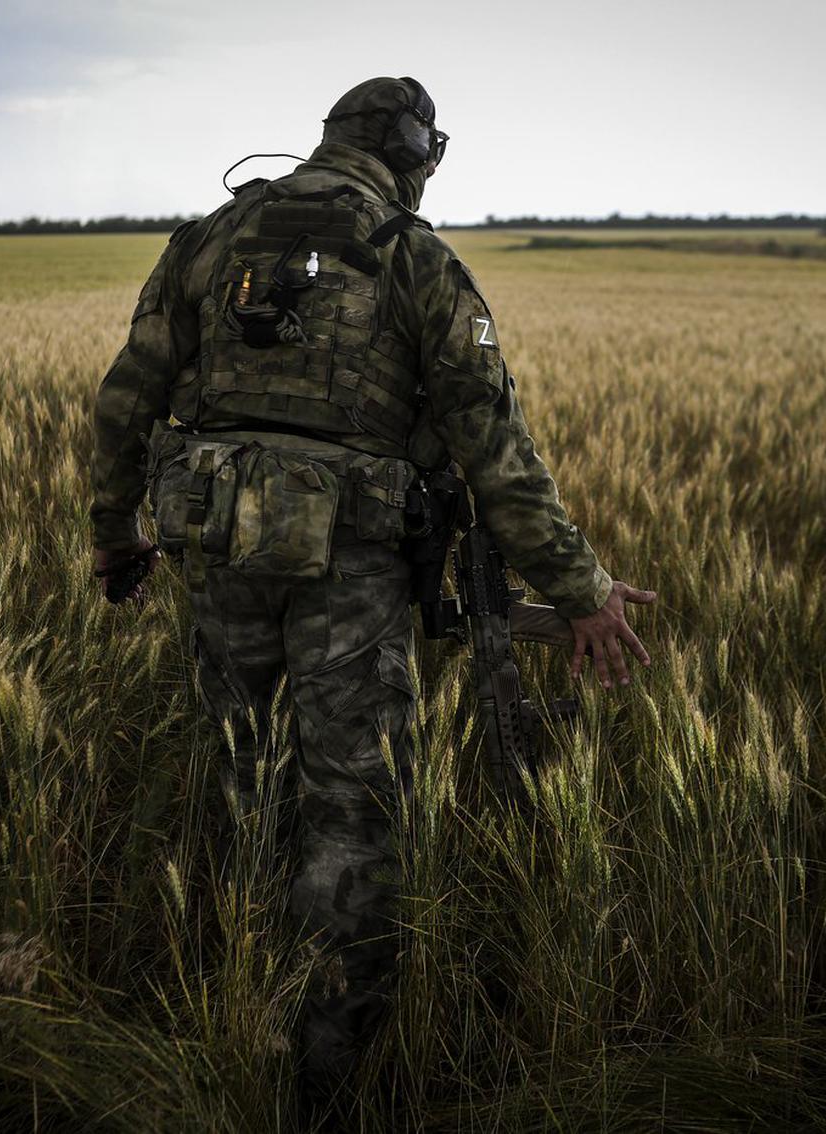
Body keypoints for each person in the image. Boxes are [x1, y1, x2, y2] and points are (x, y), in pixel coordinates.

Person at [91, 76, 655, 1111]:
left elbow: (125, 401)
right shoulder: (410, 255)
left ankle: (225, 1006)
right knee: (350, 807)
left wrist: (111, 530)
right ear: (412, 152)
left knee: (237, 773)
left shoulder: (207, 240)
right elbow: (496, 449)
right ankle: (327, 1072)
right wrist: (580, 589)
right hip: (345, 567)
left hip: (214, 551)